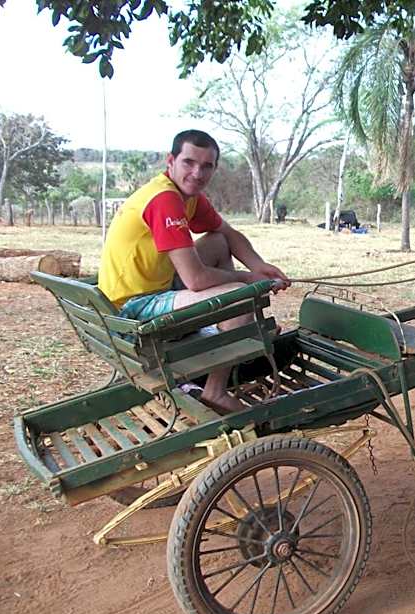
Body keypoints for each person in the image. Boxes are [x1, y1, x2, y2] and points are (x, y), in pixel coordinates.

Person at [98, 129, 291, 414]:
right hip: (131, 313)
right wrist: (249, 279)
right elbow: (196, 279)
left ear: (214, 168)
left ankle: (232, 331)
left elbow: (226, 233)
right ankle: (216, 390)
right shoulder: (164, 199)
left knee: (218, 241)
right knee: (241, 297)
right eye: (189, 162)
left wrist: (259, 266)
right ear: (171, 161)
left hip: (147, 292)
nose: (197, 173)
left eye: (206, 166)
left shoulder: (187, 195)